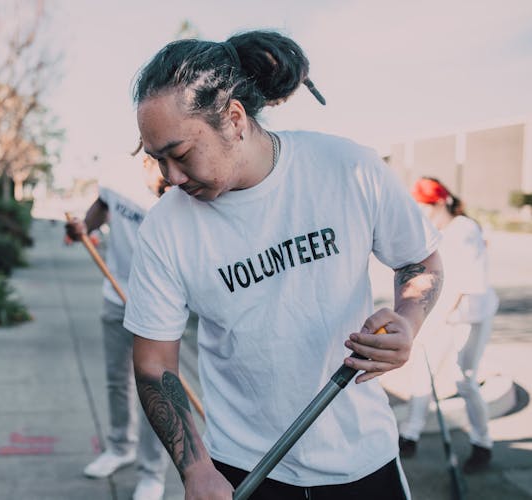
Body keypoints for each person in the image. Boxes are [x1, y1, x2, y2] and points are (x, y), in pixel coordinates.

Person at [123, 30, 444, 499]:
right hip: (244, 469)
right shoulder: (165, 229)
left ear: (234, 119)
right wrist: (195, 468)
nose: (170, 177)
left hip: (364, 462)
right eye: (158, 160)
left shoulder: (349, 168)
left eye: (180, 154)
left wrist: (409, 321)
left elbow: (420, 260)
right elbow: (154, 365)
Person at [65, 155, 171, 500]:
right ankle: (120, 447)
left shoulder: (179, 193)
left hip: (159, 306)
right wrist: (84, 227)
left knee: (156, 390)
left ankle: (153, 472)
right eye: (164, 167)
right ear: (146, 160)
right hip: (116, 294)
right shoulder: (116, 179)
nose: (173, 177)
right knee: (117, 381)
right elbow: (101, 206)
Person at [398, 177, 498, 473]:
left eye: (424, 207)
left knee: (464, 379)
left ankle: (482, 444)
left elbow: (467, 282)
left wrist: (438, 317)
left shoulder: (464, 230)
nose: (420, 214)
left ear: (440, 202)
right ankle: (410, 436)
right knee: (422, 371)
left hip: (470, 316)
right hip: (443, 313)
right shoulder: (435, 229)